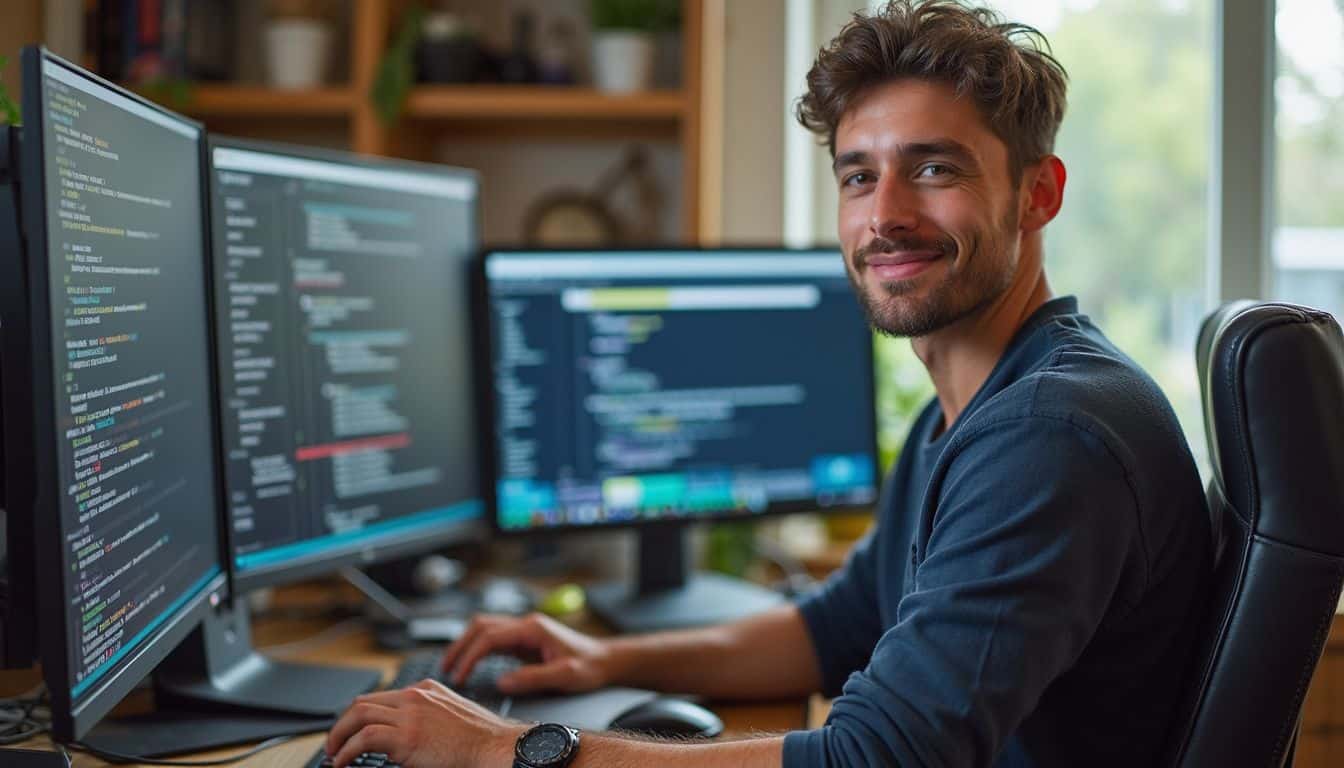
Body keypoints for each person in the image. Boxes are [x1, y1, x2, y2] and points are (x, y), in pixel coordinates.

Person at [323, 1, 1212, 765]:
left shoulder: (1050, 435)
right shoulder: (977, 406)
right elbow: (833, 628)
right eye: (859, 176)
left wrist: (500, 748)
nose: (886, 214)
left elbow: (876, 758)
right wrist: (602, 660)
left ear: (1038, 194)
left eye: (935, 168)